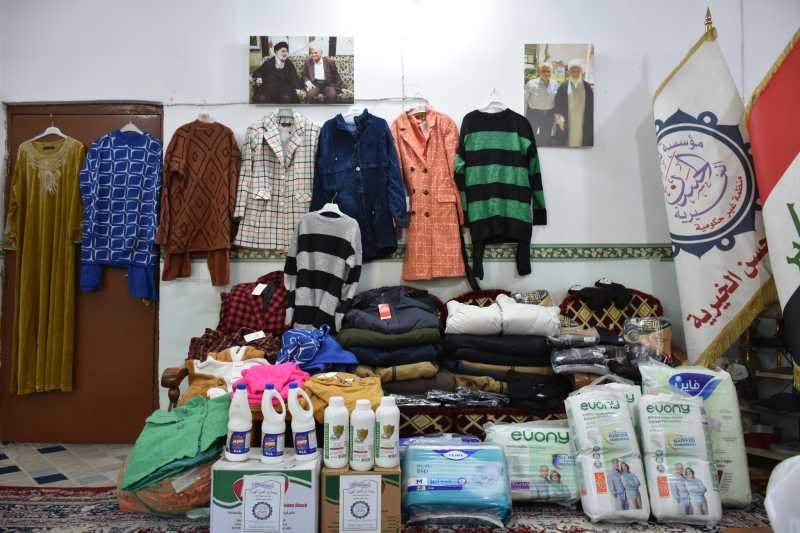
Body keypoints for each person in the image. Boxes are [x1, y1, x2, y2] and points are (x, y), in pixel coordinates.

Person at [554, 59, 594, 147]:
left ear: (581, 72)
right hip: (567, 121)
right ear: (569, 72)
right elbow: (558, 105)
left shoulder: (587, 87)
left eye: (577, 70)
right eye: (573, 70)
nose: (575, 73)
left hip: (583, 121)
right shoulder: (563, 85)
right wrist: (560, 121)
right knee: (567, 143)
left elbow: (592, 107)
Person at [524, 62, 559, 146]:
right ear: (539, 72)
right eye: (543, 71)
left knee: (545, 138)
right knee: (531, 136)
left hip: (548, 115)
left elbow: (556, 101)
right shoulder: (531, 84)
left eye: (548, 71)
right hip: (533, 114)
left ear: (551, 72)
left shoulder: (555, 84)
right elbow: (525, 101)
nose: (546, 73)